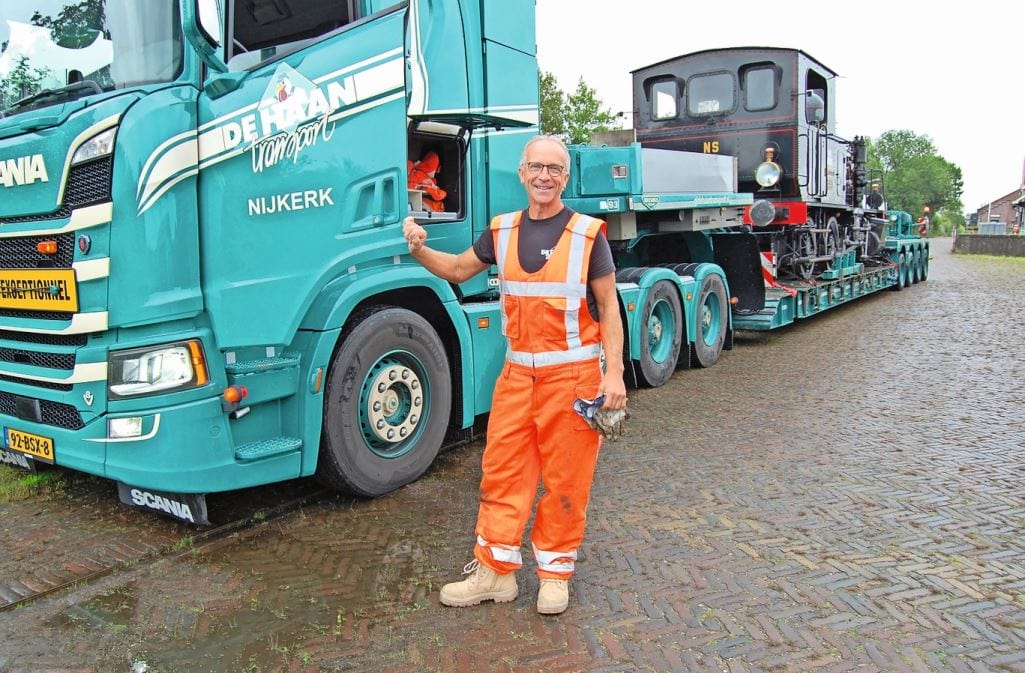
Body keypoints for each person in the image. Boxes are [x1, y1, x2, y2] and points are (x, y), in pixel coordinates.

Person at [402, 135, 627, 615]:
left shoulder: (589, 234)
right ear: (522, 173)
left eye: (555, 169)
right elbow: (460, 269)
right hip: (517, 378)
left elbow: (609, 306)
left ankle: (554, 576)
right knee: (502, 473)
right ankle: (495, 573)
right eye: (536, 167)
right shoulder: (501, 230)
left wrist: (616, 376)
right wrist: (421, 250)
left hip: (573, 381)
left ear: (565, 178)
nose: (545, 176)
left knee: (567, 481)